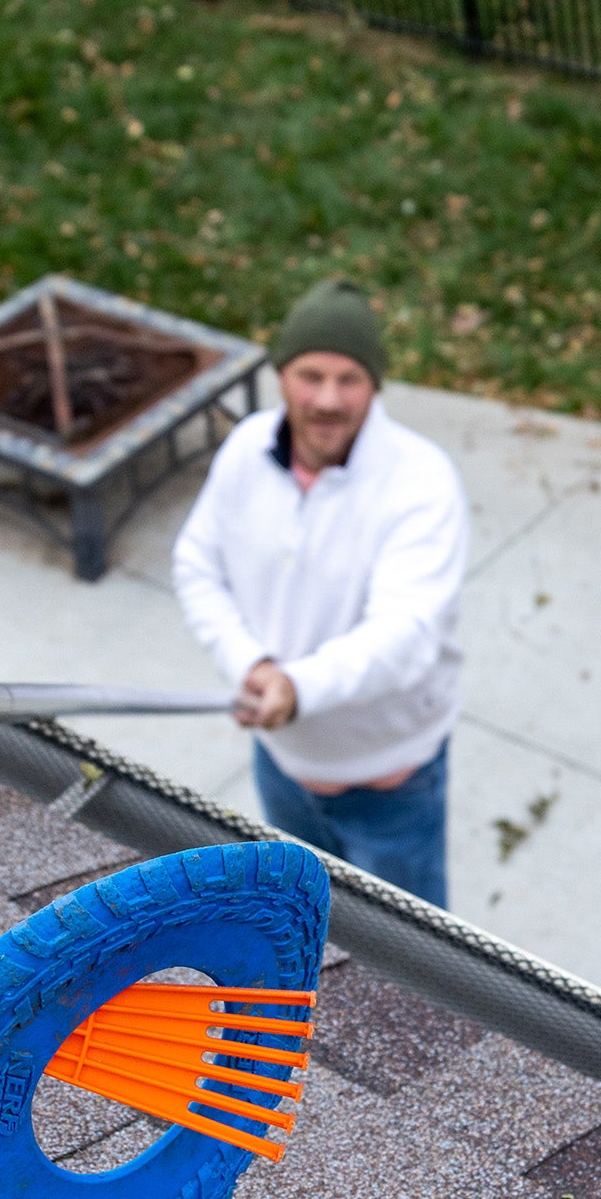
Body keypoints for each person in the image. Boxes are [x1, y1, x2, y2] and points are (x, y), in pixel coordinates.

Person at [172, 277, 469, 910]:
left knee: (410, 969)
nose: (328, 399)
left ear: (376, 386)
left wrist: (298, 687)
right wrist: (250, 666)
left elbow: (406, 636)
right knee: (301, 934)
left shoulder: (421, 483)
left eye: (349, 379)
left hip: (389, 785)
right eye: (310, 375)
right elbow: (198, 565)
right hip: (280, 766)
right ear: (281, 375)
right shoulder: (247, 449)